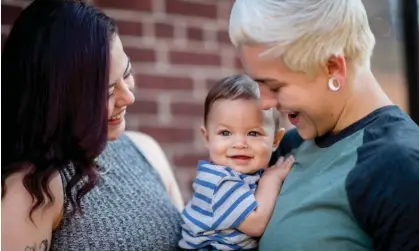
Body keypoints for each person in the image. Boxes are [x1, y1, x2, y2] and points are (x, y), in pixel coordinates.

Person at [228, 0, 419, 250]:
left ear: (333, 67)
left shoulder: (400, 166)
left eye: (274, 86)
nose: (264, 103)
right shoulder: (287, 148)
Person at [1, 1, 183, 250]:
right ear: (57, 100)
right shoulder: (35, 189)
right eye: (106, 92)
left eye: (126, 73)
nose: (128, 97)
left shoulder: (145, 150)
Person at [179, 74, 294, 250]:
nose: (239, 144)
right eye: (225, 133)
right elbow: (255, 225)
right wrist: (272, 180)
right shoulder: (217, 181)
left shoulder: (244, 175)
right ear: (207, 138)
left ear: (276, 140)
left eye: (253, 133)